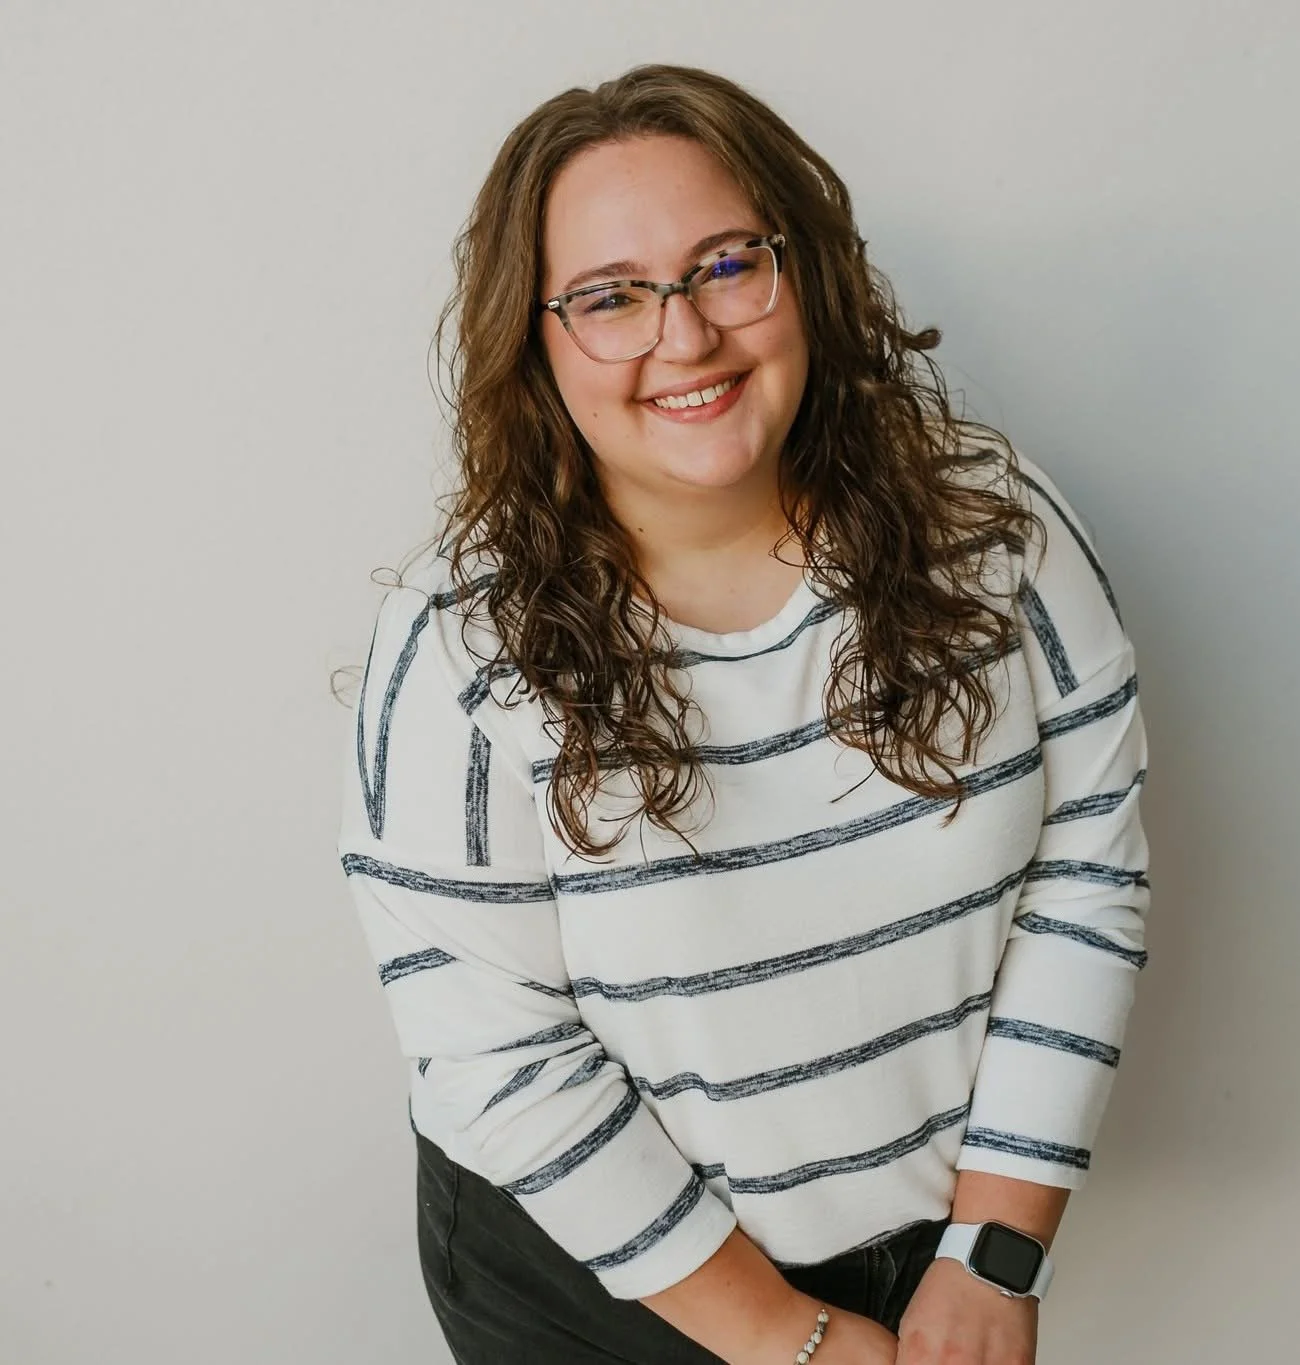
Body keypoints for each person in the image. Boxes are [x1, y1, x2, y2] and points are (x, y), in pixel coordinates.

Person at [334, 62, 1150, 1365]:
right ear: (536, 341)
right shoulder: (458, 648)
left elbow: (1086, 869)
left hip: (933, 1247)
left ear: (803, 274)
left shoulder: (999, 535)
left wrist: (995, 1251)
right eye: (609, 298)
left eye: (726, 265)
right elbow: (495, 1051)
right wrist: (787, 1340)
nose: (685, 336)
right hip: (597, 1285)